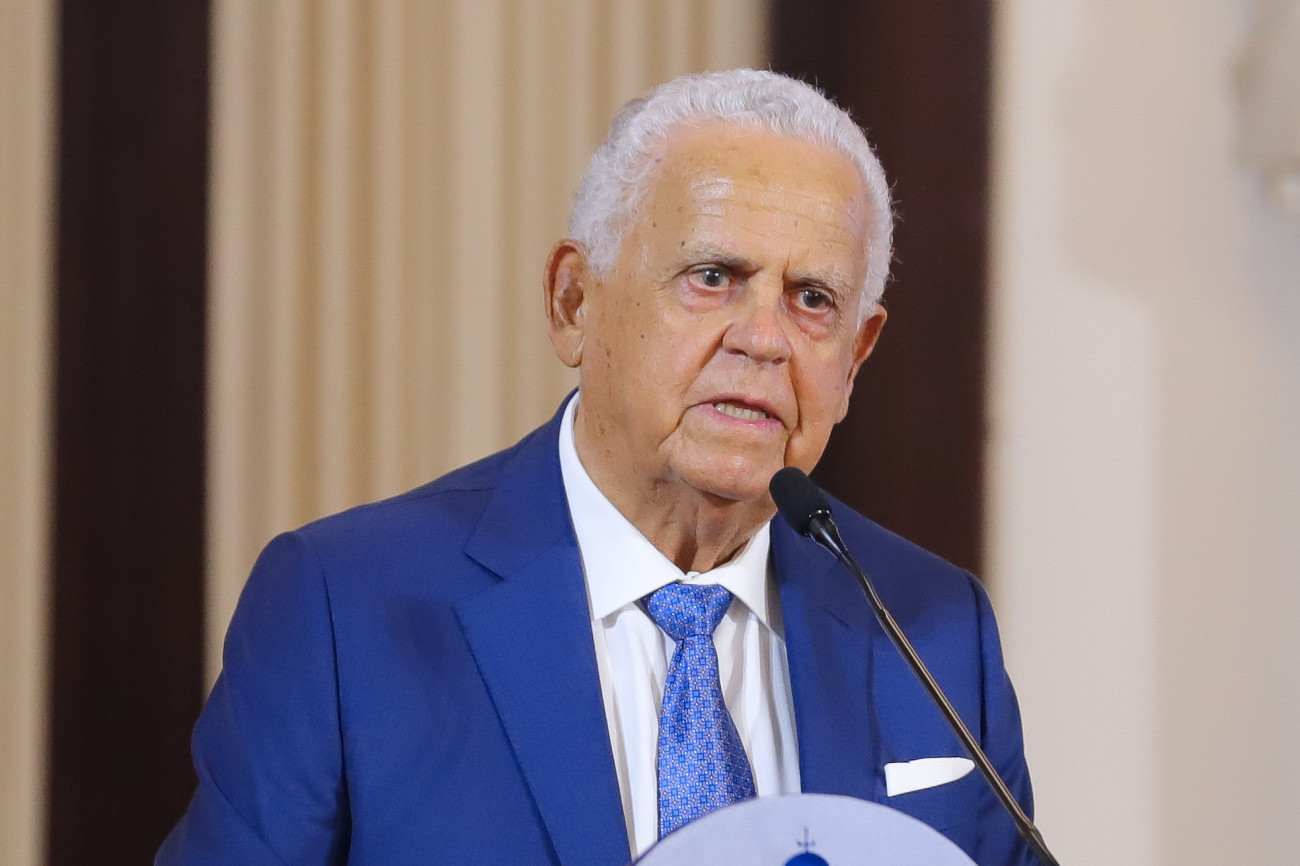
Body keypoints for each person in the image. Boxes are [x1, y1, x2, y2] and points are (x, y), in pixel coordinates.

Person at [157, 68, 1035, 865]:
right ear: (573, 302)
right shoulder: (345, 609)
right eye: (713, 277)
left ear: (856, 357)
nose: (764, 339)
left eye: (812, 299)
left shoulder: (933, 630)